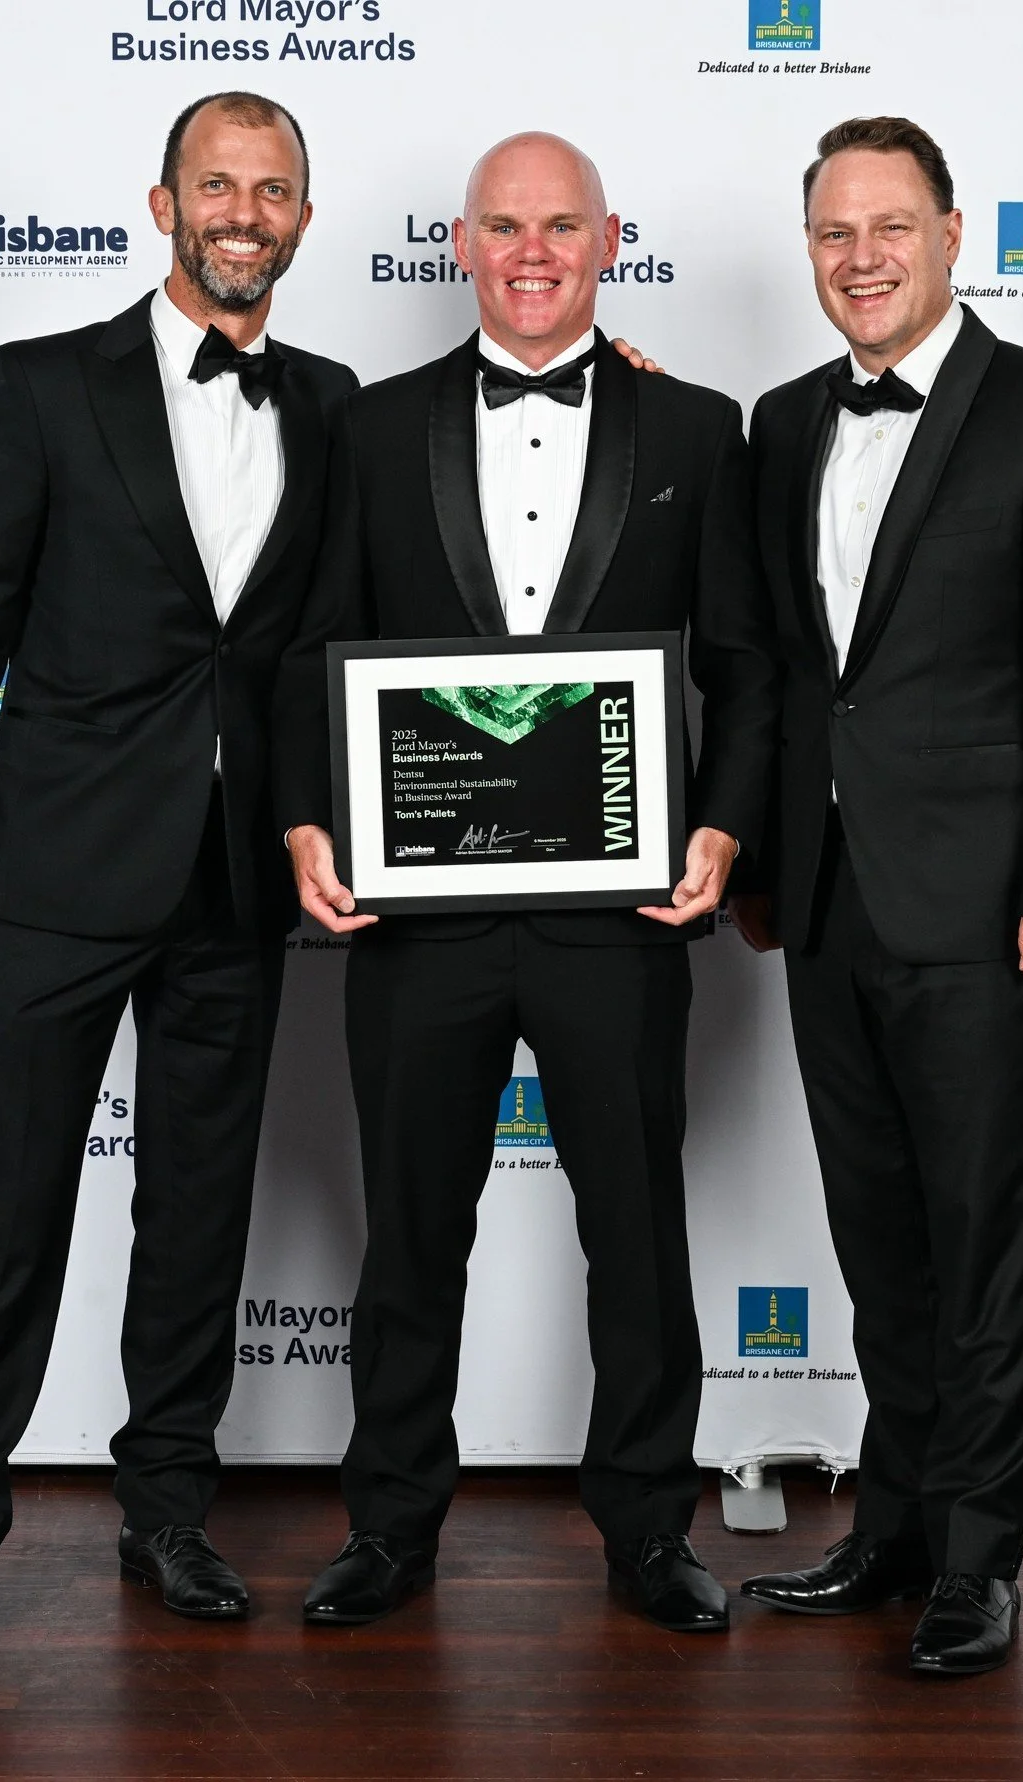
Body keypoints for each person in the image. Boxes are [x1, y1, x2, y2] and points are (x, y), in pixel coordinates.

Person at [273, 132, 780, 1634]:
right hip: (416, 914)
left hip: (620, 913)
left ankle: (649, 1529)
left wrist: (723, 830)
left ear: (609, 240)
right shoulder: (371, 425)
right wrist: (305, 823)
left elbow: (748, 665)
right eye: (504, 225)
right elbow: (308, 646)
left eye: (561, 224)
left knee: (636, 1232)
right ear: (461, 243)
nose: (533, 252)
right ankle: (390, 1527)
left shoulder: (698, 426)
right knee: (411, 1232)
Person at [0, 92, 356, 1675]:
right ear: (163, 205)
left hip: (235, 879)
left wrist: (621, 378)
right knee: (6, 1217)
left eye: (270, 190)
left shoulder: (335, 402)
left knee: (198, 1217)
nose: (243, 213)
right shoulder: (44, 385)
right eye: (216, 185)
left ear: (302, 218)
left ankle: (166, 1512)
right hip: (56, 874)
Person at [735, 117, 1023, 1675]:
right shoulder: (783, 421)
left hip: (989, 908)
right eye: (834, 232)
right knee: (880, 1239)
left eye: (889, 226)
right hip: (827, 899)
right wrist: (765, 867)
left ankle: (979, 1557)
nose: (861, 258)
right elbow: (786, 673)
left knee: (982, 1241)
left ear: (951, 233)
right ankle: (897, 1526)